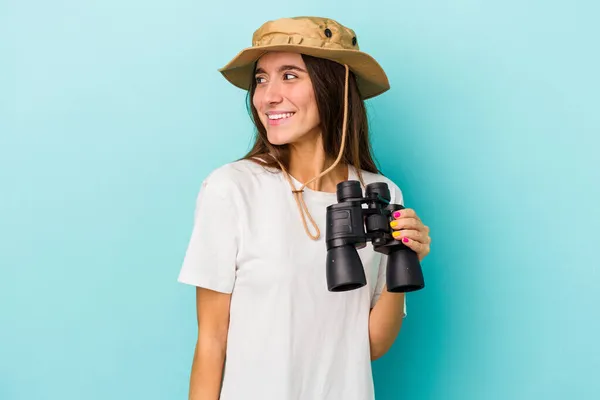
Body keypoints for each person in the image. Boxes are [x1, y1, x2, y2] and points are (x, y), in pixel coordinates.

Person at [177, 16, 431, 400]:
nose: (268, 96)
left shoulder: (380, 194)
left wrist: (404, 259)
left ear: (334, 88)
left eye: (290, 75)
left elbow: (369, 347)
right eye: (261, 79)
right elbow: (212, 341)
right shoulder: (232, 188)